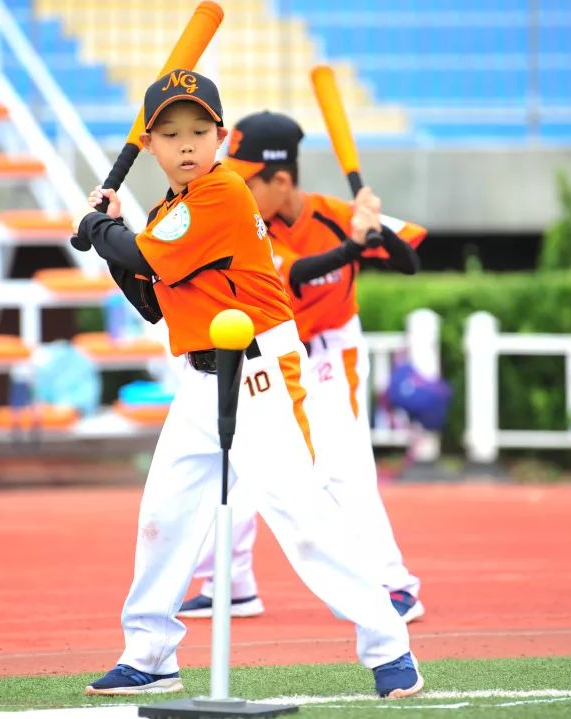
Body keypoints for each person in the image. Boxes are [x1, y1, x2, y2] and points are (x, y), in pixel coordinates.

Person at [71, 70, 423, 699]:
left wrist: (100, 229)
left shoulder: (224, 193)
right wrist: (109, 239)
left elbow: (145, 257)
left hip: (262, 373)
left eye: (199, 132)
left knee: (304, 519)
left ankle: (389, 645)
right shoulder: (166, 212)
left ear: (221, 138)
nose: (186, 145)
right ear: (148, 145)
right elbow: (152, 297)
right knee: (163, 516)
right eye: (171, 134)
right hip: (201, 379)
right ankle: (150, 654)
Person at [178, 111, 426, 624]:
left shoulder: (336, 213)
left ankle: (394, 583)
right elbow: (298, 272)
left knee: (343, 466)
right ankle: (233, 582)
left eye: (246, 179)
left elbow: (410, 261)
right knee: (245, 462)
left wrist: (375, 229)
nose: (235, 187)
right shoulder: (247, 226)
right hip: (275, 350)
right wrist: (355, 247)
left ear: (282, 180)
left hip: (332, 350)